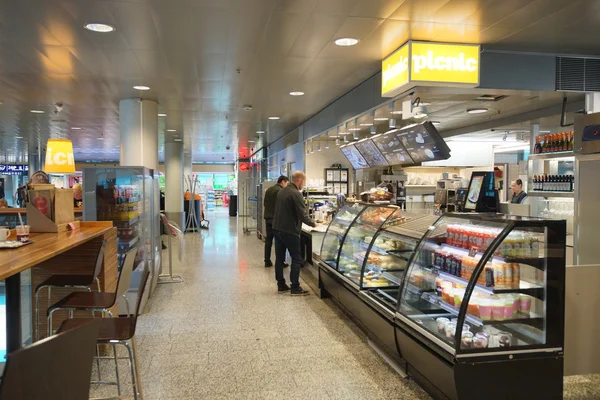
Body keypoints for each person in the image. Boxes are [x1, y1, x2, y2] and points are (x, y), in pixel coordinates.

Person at [272, 171, 316, 295]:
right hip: (289, 230)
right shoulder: (296, 193)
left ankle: (281, 285)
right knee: (297, 258)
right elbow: (302, 215)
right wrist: (314, 224)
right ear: (300, 180)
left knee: (279, 258)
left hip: (277, 228)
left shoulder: (282, 190)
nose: (304, 185)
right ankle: (295, 287)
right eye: (304, 182)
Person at [263, 175, 289, 268]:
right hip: (276, 219)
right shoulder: (281, 191)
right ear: (283, 181)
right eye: (286, 183)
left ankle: (267, 261)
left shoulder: (269, 189)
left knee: (268, 240)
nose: (287, 185)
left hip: (268, 218)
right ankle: (280, 262)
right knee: (279, 242)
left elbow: (265, 203)